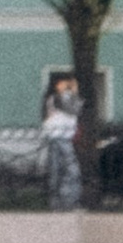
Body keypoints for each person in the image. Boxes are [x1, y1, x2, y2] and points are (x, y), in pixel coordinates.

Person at [39, 73, 82, 209]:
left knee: (57, 170)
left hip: (60, 136)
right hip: (60, 136)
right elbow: (74, 110)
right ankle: (69, 202)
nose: (68, 85)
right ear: (57, 84)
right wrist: (75, 92)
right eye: (65, 82)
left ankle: (56, 203)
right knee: (71, 170)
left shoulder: (59, 98)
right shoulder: (57, 98)